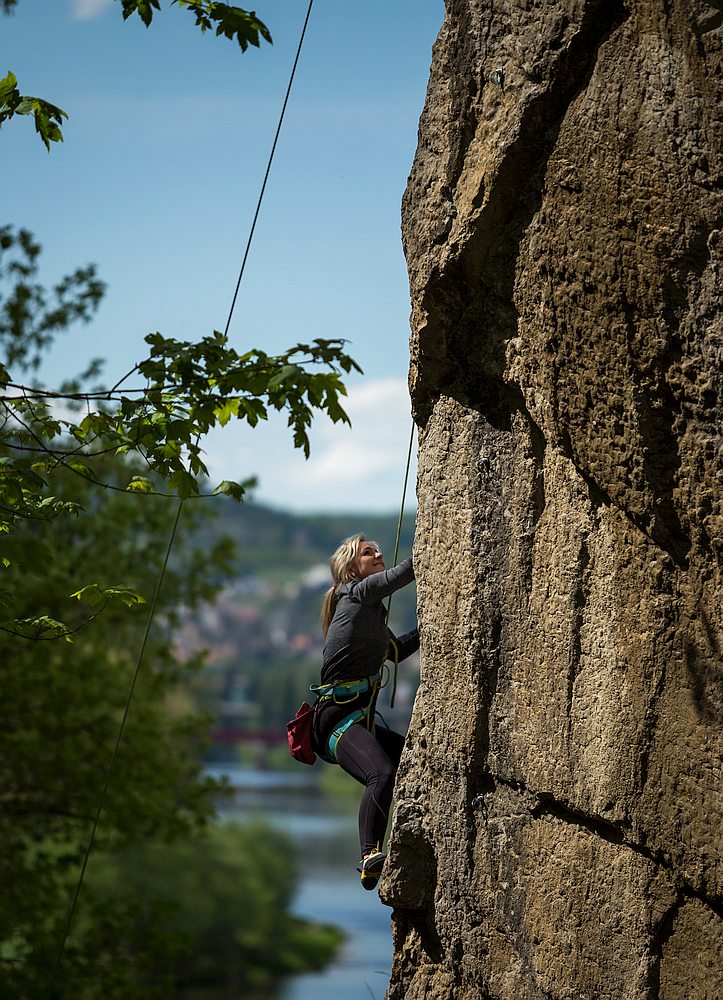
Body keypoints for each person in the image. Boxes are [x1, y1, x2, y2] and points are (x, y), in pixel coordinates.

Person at [313, 534, 419, 890]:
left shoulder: (367, 610)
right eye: (368, 552)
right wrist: (431, 550)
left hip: (359, 720)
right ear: (350, 567)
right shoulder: (355, 593)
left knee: (411, 760)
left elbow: (393, 651)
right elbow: (404, 573)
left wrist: (429, 632)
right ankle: (368, 854)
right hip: (337, 720)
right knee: (383, 773)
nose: (378, 555)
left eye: (378, 550)